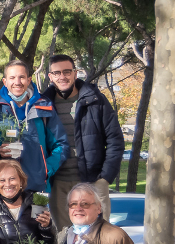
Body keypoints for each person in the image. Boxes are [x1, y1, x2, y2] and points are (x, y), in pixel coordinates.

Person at [42, 55, 123, 226]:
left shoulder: (95, 100)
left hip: (93, 181)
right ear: (50, 76)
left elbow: (115, 140)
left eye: (66, 71)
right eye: (57, 73)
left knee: (98, 238)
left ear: (75, 73)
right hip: (59, 183)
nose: (62, 76)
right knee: (65, 239)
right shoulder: (43, 103)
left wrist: (105, 178)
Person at [0, 61, 68, 195]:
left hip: (37, 187)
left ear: (29, 80)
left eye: (21, 77)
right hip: (3, 189)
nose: (17, 82)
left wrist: (46, 169)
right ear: (5, 81)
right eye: (12, 78)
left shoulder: (44, 109)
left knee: (39, 217)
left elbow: (61, 145)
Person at [0, 160, 56, 244]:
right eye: (2, 180)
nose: (8, 184)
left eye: (12, 179)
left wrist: (46, 227)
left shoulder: (35, 203)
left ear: (21, 180)